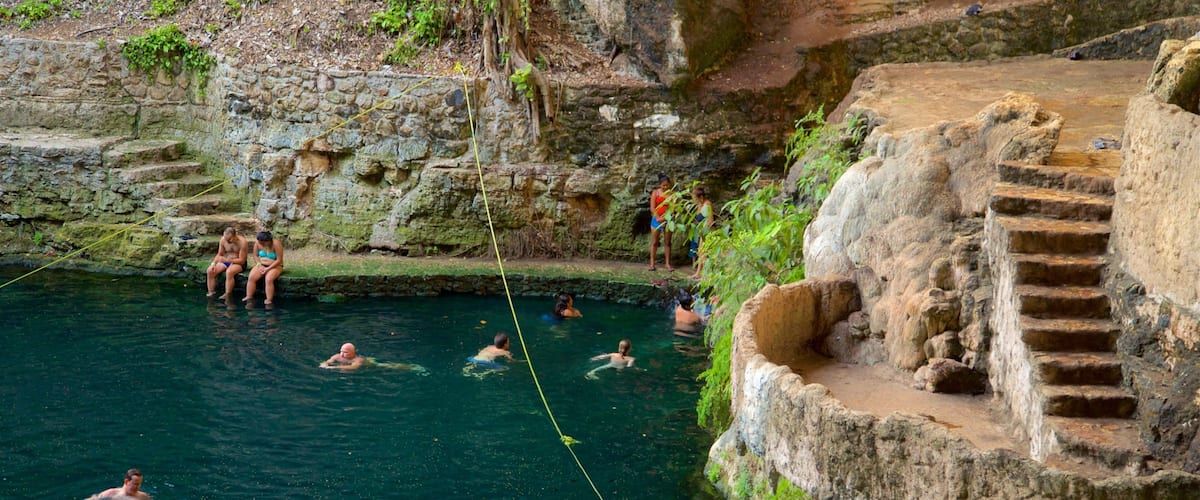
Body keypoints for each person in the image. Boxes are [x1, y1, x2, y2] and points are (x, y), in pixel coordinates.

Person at [320, 342, 427, 374]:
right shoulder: (337, 356)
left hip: (369, 363)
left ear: (353, 353)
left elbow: (353, 367)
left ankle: (411, 367)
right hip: (348, 366)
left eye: (346, 352)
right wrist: (324, 365)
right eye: (341, 351)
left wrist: (334, 368)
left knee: (386, 366)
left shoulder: (358, 359)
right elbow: (327, 361)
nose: (342, 354)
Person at [243, 231, 285, 305]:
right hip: (261, 265)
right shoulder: (257, 242)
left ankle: (268, 299)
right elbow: (255, 255)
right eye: (260, 242)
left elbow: (279, 260)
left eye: (263, 243)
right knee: (251, 277)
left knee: (268, 279)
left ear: (268, 241)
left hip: (275, 266)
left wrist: (268, 269)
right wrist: (259, 265)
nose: (261, 244)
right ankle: (249, 296)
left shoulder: (276, 243)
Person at [206, 227, 249, 299]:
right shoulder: (223, 240)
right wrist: (213, 263)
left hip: (239, 263)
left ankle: (227, 294)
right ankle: (211, 292)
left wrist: (229, 261)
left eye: (229, 239)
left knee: (229, 272)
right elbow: (219, 254)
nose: (228, 241)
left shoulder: (242, 242)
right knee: (210, 270)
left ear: (235, 236)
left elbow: (242, 260)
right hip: (227, 260)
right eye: (226, 239)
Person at [648, 173, 673, 271]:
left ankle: (667, 264)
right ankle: (652, 263)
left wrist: (666, 218)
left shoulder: (671, 194)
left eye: (667, 185)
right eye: (663, 185)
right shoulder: (655, 193)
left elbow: (672, 209)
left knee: (667, 242)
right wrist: (658, 217)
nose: (665, 187)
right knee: (654, 242)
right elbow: (652, 208)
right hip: (656, 219)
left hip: (668, 220)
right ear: (660, 185)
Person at [688, 186, 714, 280]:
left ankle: (705, 275)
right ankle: (698, 273)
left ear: (701, 197)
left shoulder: (708, 205)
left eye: (695, 198)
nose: (694, 200)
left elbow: (710, 221)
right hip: (701, 232)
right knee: (700, 252)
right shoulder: (700, 205)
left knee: (704, 253)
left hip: (708, 232)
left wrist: (705, 233)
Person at [86, 468, 151, 500]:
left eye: (139, 484)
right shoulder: (111, 493)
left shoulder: (143, 497)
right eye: (135, 484)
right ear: (126, 481)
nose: (138, 487)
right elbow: (95, 498)